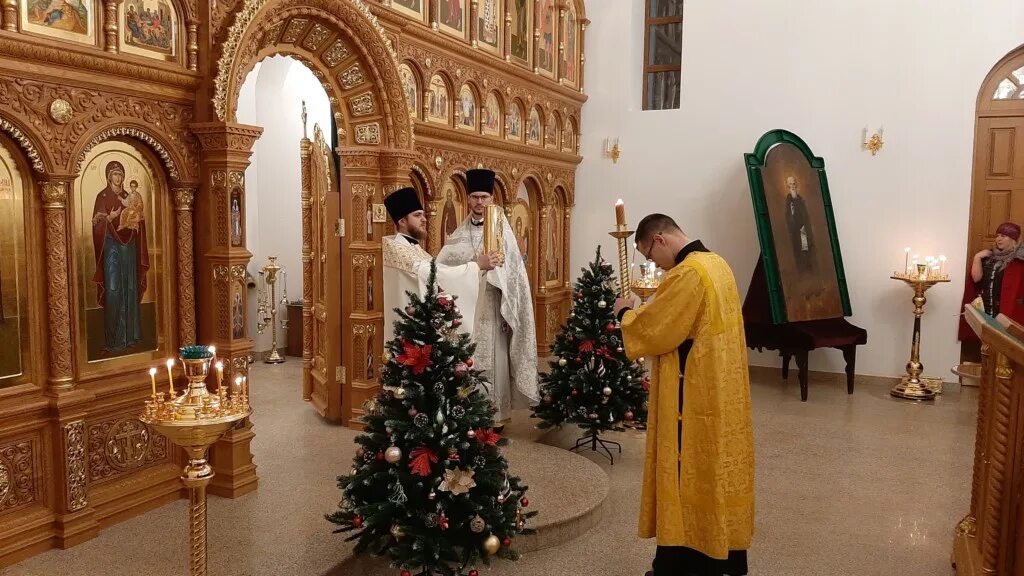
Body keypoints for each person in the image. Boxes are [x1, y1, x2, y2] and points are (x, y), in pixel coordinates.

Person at [613, 214, 754, 576]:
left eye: (648, 254)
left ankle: (681, 566)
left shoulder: (688, 273)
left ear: (659, 239)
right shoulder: (717, 263)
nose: (652, 265)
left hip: (690, 398)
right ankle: (726, 558)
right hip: (719, 390)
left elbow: (658, 331)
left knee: (685, 472)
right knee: (714, 474)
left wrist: (626, 313)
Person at [436, 169, 538, 426]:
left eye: (484, 197)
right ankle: (467, 412)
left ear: (492, 198)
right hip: (468, 307)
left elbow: (515, 271)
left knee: (495, 358)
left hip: (495, 306)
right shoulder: (460, 232)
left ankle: (495, 416)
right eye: (474, 197)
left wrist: (496, 275)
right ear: (467, 199)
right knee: (468, 359)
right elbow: (444, 264)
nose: (479, 202)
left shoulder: (503, 229)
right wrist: (474, 265)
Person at [382, 186, 499, 345]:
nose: (424, 219)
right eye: (417, 215)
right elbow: (433, 274)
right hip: (410, 333)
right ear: (402, 221)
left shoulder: (413, 248)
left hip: (420, 328)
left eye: (423, 214)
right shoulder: (398, 250)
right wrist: (477, 266)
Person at [91, 160, 149, 355]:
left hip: (129, 248)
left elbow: (139, 219)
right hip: (112, 248)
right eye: (115, 174)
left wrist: (136, 220)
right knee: (114, 289)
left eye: (120, 174)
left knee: (130, 287)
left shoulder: (129, 196)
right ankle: (113, 340)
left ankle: (131, 336)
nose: (118, 177)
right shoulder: (103, 196)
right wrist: (111, 217)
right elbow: (96, 225)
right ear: (108, 176)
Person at [959, 222, 1024, 340]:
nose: (998, 239)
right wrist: (977, 258)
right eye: (998, 235)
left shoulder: (1020, 260)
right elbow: (976, 279)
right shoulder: (989, 257)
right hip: (987, 311)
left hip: (1009, 314)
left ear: (1013, 239)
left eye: (1003, 236)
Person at [784, 175, 814, 270]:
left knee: (807, 251)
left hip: (804, 230)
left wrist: (805, 226)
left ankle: (808, 269)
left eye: (794, 184)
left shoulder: (800, 199)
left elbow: (805, 214)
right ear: (788, 187)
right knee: (798, 251)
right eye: (790, 185)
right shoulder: (788, 200)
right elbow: (788, 216)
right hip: (795, 232)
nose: (792, 187)